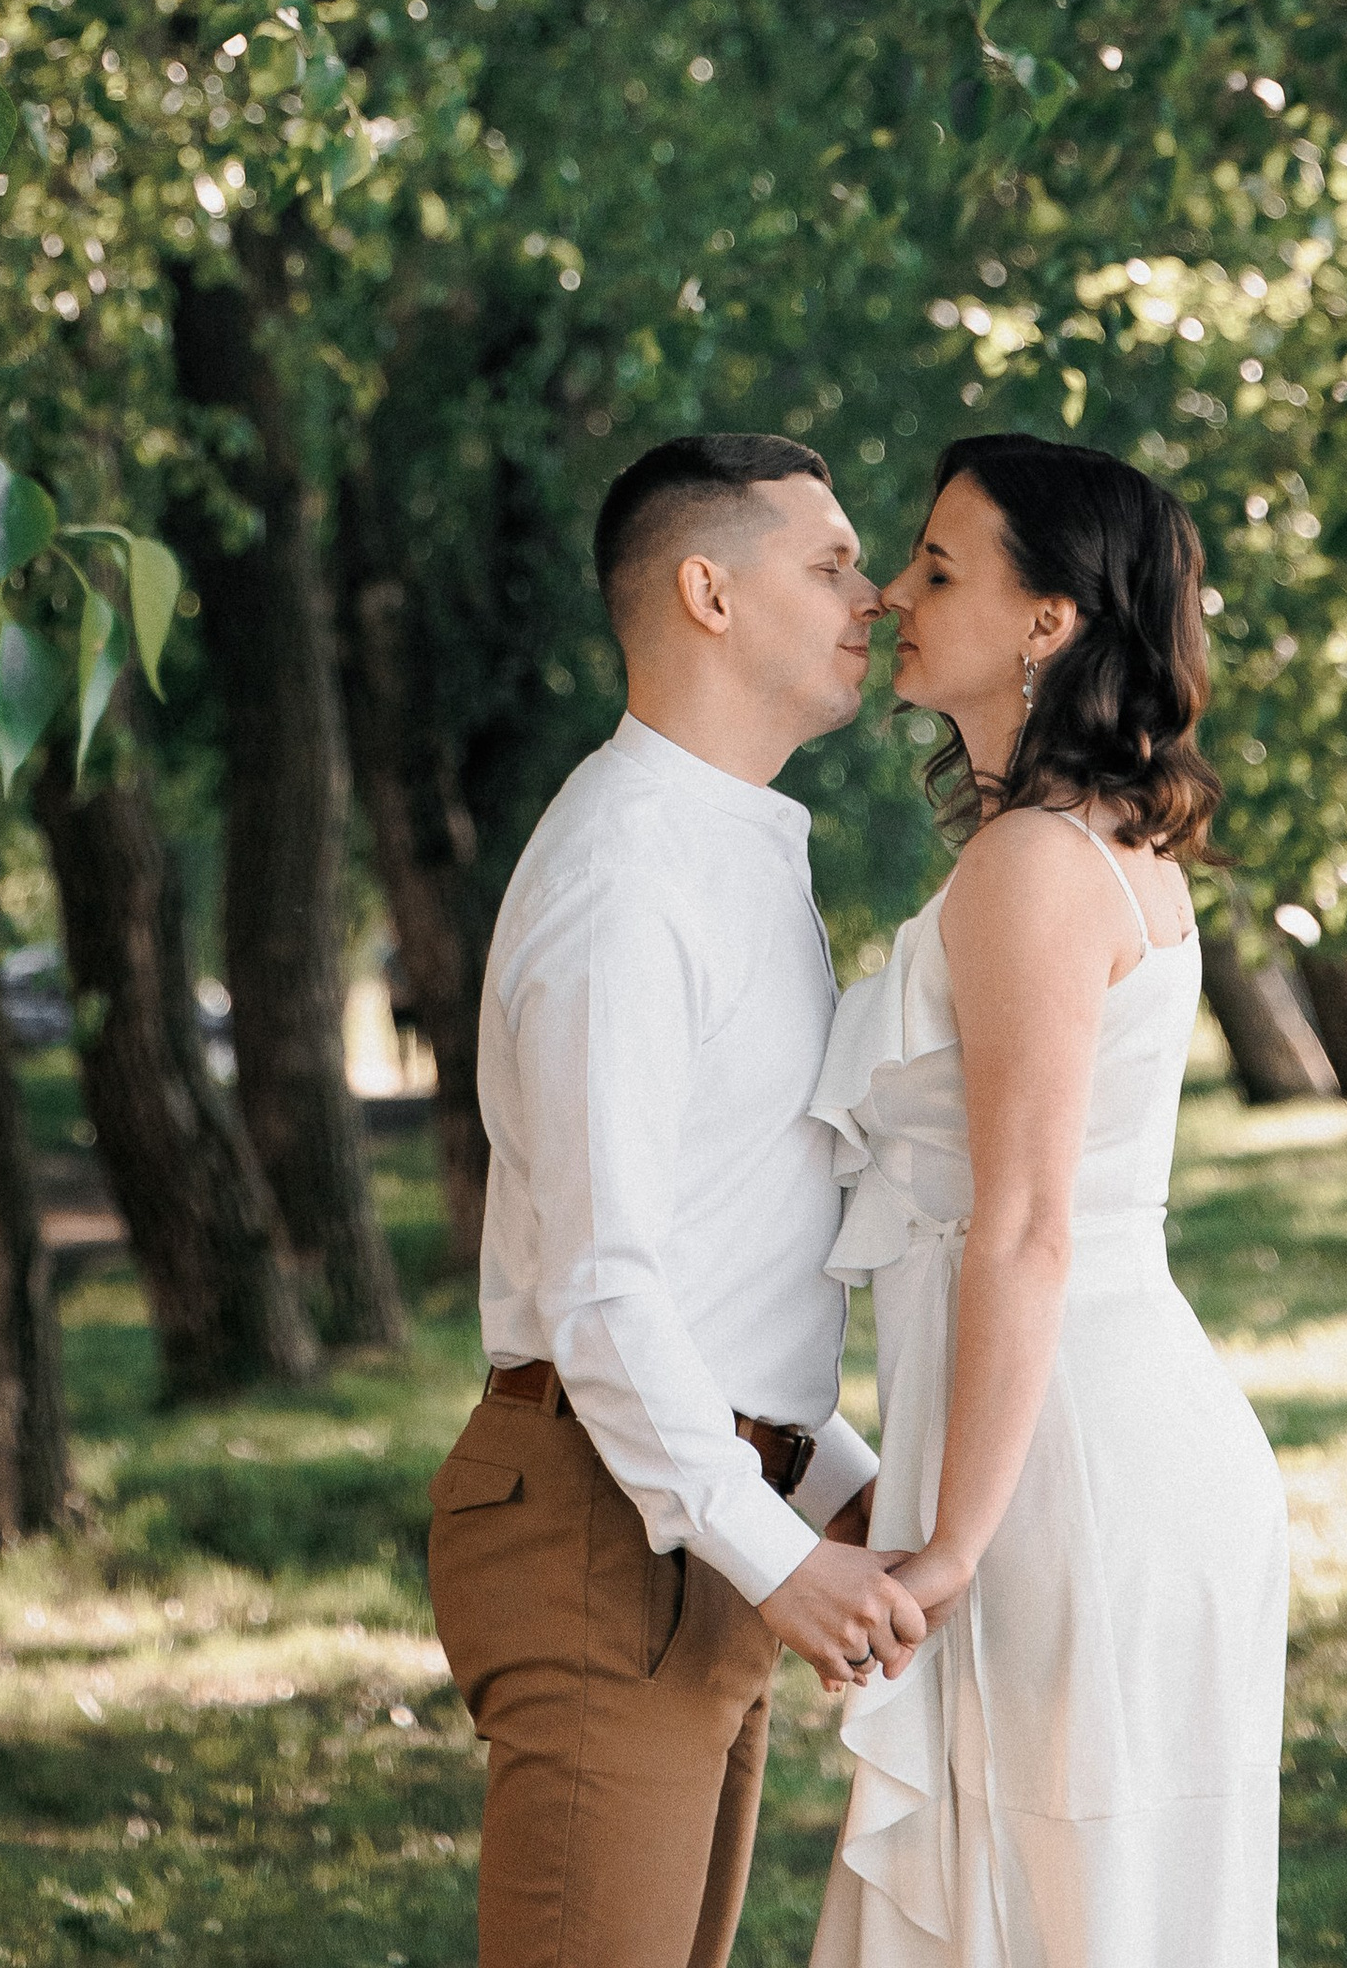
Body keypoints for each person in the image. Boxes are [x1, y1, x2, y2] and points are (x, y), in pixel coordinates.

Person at [427, 430, 929, 1968]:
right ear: (709, 591)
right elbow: (603, 1288)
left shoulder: (732, 845)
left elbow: (721, 1241)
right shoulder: (628, 870)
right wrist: (777, 1553)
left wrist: (833, 1485)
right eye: (831, 561)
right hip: (609, 1521)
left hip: (696, 1510)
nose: (877, 593)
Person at [811, 431, 1288, 1968]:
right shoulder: (1094, 846)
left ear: (1049, 620)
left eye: (938, 566)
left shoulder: (1035, 862)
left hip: (1063, 1464)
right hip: (1084, 1426)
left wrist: (951, 1543)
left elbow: (1026, 1223)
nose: (893, 591)